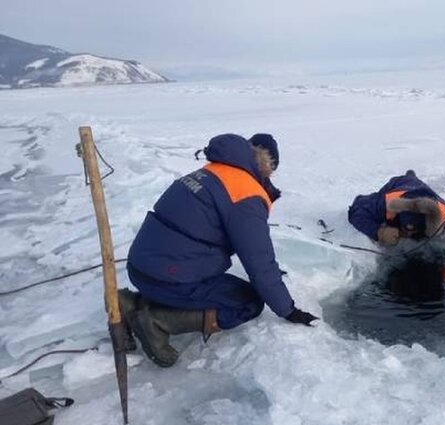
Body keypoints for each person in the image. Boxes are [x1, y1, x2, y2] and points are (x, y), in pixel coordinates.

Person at [120, 133, 317, 368]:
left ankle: (133, 302)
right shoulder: (244, 193)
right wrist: (288, 310)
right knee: (248, 302)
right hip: (168, 278)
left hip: (142, 269)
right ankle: (157, 321)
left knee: (208, 279)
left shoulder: (210, 173)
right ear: (268, 166)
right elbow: (259, 261)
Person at [348, 170, 445, 245]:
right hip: (400, 183)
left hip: (423, 192)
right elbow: (357, 210)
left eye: (413, 231)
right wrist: (380, 232)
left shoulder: (442, 217)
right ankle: (410, 175)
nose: (408, 235)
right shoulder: (387, 202)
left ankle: (412, 176)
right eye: (406, 229)